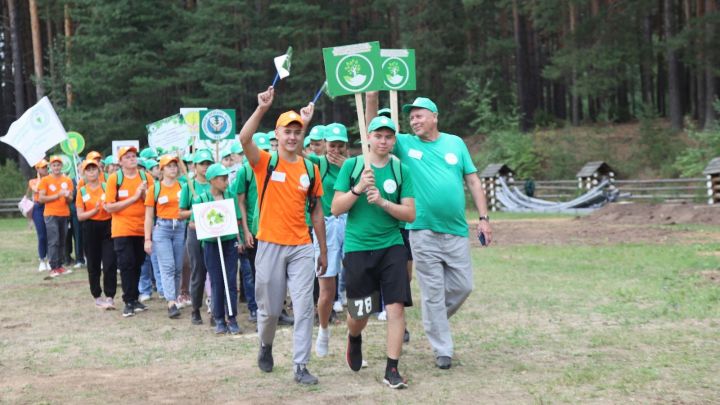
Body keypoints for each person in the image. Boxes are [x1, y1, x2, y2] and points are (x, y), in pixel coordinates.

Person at [369, 94, 494, 370]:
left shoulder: (455, 143)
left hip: (456, 229)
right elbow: (373, 126)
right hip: (422, 230)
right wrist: (370, 98)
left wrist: (483, 218)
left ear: (434, 116)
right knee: (433, 291)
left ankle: (433, 319)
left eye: (419, 116)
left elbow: (472, 180)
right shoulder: (404, 143)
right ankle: (442, 349)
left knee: (464, 286)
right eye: (411, 117)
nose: (414, 121)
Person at [239, 86, 327, 385]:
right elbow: (244, 139)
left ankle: (300, 366)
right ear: (277, 135)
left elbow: (316, 211)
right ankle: (265, 344)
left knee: (304, 309)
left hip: (302, 246)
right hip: (270, 245)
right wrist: (262, 108)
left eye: (297, 132)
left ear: (302, 136)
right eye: (287, 132)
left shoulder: (311, 170)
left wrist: (323, 251)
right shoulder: (265, 162)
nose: (292, 136)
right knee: (271, 310)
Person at [331, 116, 415, 389]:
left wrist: (382, 202)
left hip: (392, 246)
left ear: (394, 140)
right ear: (368, 138)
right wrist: (357, 189)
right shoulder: (353, 166)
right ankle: (354, 338)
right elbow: (336, 209)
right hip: (358, 248)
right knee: (360, 313)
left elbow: (410, 214)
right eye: (378, 136)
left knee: (395, 307)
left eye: (389, 137)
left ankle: (392, 368)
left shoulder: (401, 170)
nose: (383, 141)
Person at [306, 122, 349, 357]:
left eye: (340, 146)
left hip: (351, 223)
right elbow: (295, 155)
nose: (336, 150)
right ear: (324, 146)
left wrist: (348, 167)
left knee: (357, 283)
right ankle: (323, 329)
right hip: (328, 224)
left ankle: (355, 338)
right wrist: (304, 121)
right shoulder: (318, 164)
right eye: (332, 145)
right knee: (327, 289)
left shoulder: (354, 165)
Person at [189, 163, 243, 334]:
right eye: (223, 178)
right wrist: (208, 227)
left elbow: (238, 219)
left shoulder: (231, 196)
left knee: (231, 281)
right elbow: (191, 224)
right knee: (216, 281)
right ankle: (219, 318)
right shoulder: (201, 199)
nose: (226, 182)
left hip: (229, 244)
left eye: (227, 178)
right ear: (212, 180)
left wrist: (239, 238)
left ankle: (232, 317)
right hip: (211, 245)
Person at [104, 146, 155, 317]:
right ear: (120, 162)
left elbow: (152, 201)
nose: (132, 159)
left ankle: (134, 298)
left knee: (138, 263)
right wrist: (133, 198)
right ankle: (128, 300)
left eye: (134, 156)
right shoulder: (114, 179)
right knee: (126, 264)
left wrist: (143, 194)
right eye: (128, 157)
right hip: (122, 229)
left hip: (141, 228)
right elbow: (109, 207)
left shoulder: (146, 177)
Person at [144, 155, 191, 319]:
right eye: (169, 166)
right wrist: (147, 239)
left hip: (180, 228)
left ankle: (175, 296)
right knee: (168, 266)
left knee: (178, 266)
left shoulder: (183, 186)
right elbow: (149, 216)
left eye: (175, 165)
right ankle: (171, 302)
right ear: (162, 170)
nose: (173, 168)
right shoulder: (154, 189)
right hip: (162, 229)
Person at [76, 159, 117, 309]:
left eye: (94, 169)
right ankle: (97, 295)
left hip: (108, 226)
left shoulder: (107, 187)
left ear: (99, 171)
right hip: (90, 227)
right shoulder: (82, 191)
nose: (92, 172)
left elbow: (114, 205)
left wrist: (108, 208)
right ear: (84, 173)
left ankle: (110, 295)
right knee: (93, 263)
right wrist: (94, 211)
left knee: (109, 262)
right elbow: (80, 216)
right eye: (88, 170)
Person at [187, 149, 215, 325]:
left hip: (214, 233)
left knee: (215, 272)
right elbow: (181, 212)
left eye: (208, 163)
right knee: (198, 271)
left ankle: (216, 310)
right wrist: (198, 210)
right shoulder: (188, 186)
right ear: (195, 166)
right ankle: (195, 309)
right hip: (196, 232)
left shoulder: (217, 184)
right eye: (202, 164)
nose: (205, 167)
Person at [38, 156, 74, 277]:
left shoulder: (67, 180)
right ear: (50, 167)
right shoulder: (45, 180)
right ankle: (53, 267)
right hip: (50, 214)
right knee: (54, 240)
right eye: (54, 165)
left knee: (62, 241)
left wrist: (67, 196)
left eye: (58, 165)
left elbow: (70, 199)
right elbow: (41, 198)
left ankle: (59, 266)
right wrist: (57, 195)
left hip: (64, 214)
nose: (56, 167)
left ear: (61, 166)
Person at [138, 158, 163, 302]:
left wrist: (144, 192)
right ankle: (145, 289)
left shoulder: (154, 186)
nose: (140, 171)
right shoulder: (126, 184)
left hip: (154, 226)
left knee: (156, 258)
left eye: (142, 168)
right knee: (143, 261)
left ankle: (161, 289)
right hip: (135, 227)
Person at [28, 159, 49, 272]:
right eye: (43, 167)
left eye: (46, 166)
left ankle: (50, 259)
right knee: (42, 235)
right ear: (37, 169)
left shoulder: (51, 179)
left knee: (50, 235)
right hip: (38, 208)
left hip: (49, 206)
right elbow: (37, 189)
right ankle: (42, 259)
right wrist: (42, 179)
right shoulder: (33, 181)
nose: (45, 169)